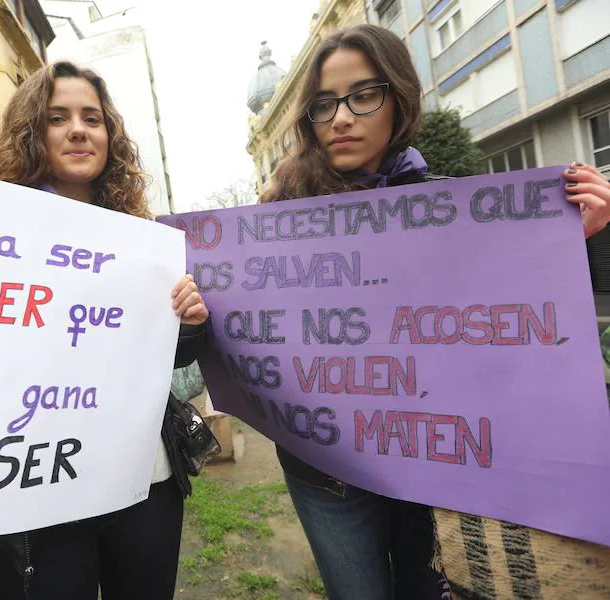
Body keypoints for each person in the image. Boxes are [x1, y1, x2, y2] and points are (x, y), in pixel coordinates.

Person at [260, 24, 610, 600]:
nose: (341, 118)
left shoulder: (456, 206)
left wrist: (573, 246)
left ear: (400, 100)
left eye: (363, 95)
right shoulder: (276, 222)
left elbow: (507, 322)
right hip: (325, 466)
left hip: (438, 465)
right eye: (324, 105)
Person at [0, 61, 208, 600]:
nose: (78, 129)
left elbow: (166, 358)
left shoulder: (144, 238)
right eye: (58, 118)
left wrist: (189, 323)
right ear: (32, 133)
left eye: (91, 118)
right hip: (37, 491)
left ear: (109, 136)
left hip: (144, 483)